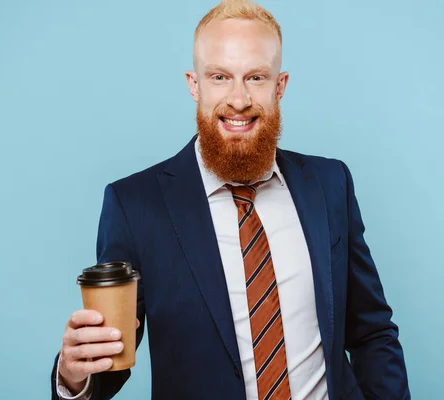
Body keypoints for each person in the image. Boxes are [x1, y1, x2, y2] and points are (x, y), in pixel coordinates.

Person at [50, 0, 410, 399]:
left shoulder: (329, 184)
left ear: (280, 85)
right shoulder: (135, 205)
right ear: (194, 84)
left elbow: (371, 331)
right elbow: (111, 359)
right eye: (220, 76)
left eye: (255, 77)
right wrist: (73, 376)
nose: (238, 99)